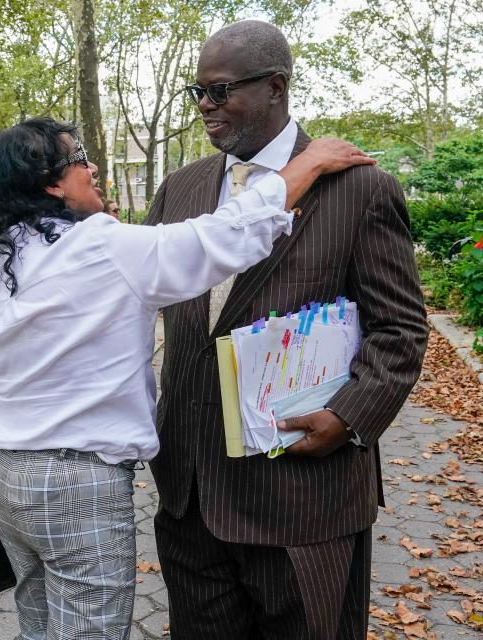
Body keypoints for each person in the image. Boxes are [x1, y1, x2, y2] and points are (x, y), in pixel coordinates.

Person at [0, 117, 372, 639]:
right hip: (79, 481)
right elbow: (217, 237)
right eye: (80, 158)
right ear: (52, 182)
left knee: (39, 624)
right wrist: (306, 164)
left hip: (5, 473)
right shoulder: (101, 246)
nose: (93, 166)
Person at [145, 20, 428, 640]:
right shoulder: (181, 189)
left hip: (303, 495)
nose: (205, 109)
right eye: (197, 94)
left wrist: (350, 415)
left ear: (276, 86)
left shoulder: (360, 190)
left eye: (220, 92)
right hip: (189, 498)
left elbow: (401, 331)